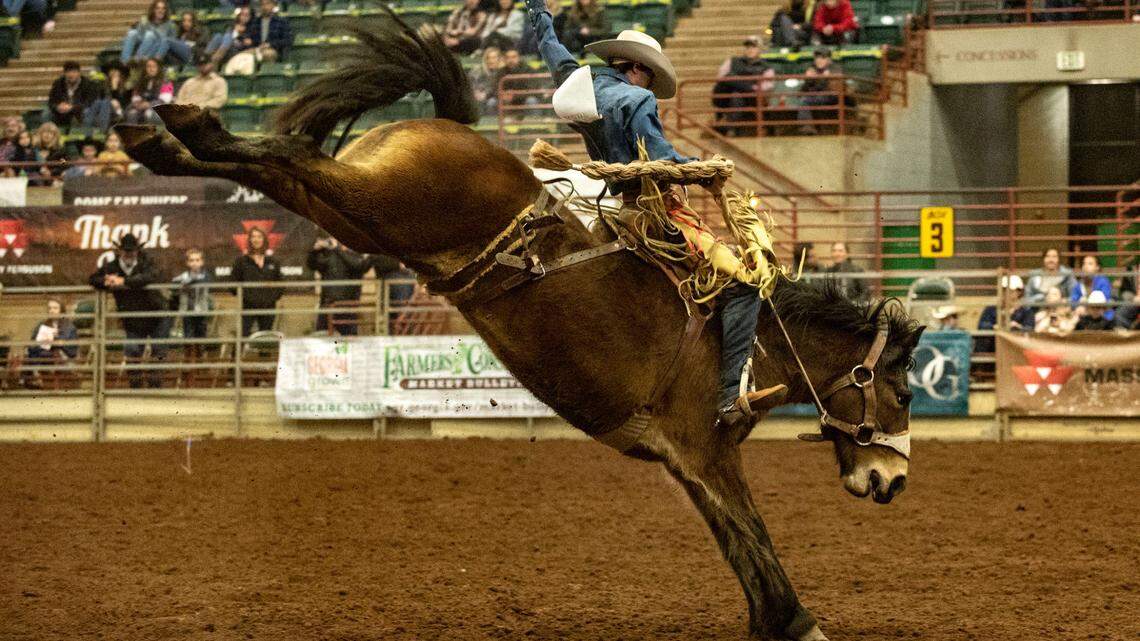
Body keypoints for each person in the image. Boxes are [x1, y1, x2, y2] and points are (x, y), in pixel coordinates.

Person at [526, 0, 783, 429]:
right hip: (655, 213)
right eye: (647, 71)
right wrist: (703, 168)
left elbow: (549, 44)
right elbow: (662, 161)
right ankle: (728, 394)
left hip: (612, 207)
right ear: (636, 68)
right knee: (744, 282)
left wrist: (538, 9)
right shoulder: (637, 98)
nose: (648, 79)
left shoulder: (576, 82)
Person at [88, 233, 171, 388]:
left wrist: (123, 281)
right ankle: (136, 386)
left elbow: (151, 277)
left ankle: (155, 387)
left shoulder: (146, 262)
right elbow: (93, 279)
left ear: (137, 251)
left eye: (132, 251)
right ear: (120, 251)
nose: (129, 254)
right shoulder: (111, 267)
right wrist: (108, 281)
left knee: (159, 351)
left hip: (157, 314)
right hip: (133, 319)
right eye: (126, 251)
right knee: (132, 350)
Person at [307, 234, 376, 335]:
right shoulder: (330, 254)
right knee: (322, 336)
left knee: (347, 338)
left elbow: (358, 266)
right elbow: (312, 265)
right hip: (328, 303)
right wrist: (315, 251)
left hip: (347, 305)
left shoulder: (356, 254)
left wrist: (337, 249)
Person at [712, 36, 775, 137]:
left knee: (737, 94)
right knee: (732, 86)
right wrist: (747, 87)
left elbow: (767, 86)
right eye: (747, 47)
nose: (750, 50)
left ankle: (731, 128)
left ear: (760, 49)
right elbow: (721, 78)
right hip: (727, 96)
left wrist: (743, 86)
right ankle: (731, 128)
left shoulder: (766, 67)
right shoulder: (732, 61)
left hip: (753, 98)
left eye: (753, 47)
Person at [230, 226, 284, 336]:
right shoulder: (241, 261)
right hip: (248, 307)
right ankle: (236, 354)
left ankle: (264, 354)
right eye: (253, 236)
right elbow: (232, 284)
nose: (256, 239)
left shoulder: (273, 261)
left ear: (264, 239)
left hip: (268, 307)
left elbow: (281, 283)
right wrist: (246, 296)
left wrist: (272, 297)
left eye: (259, 236)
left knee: (265, 338)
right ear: (249, 240)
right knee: (242, 335)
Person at [796, 47, 852, 134]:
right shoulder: (812, 69)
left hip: (834, 97)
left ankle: (806, 126)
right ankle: (807, 127)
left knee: (805, 101)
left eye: (823, 58)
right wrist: (808, 80)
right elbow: (804, 90)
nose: (819, 60)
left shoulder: (835, 68)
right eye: (817, 58)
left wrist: (820, 78)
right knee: (804, 99)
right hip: (819, 96)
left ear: (829, 59)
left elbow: (834, 87)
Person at [171, 248, 214, 358]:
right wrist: (180, 286)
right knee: (188, 341)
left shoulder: (206, 275)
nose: (194, 263)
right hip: (187, 312)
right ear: (187, 262)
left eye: (197, 260)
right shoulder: (183, 276)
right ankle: (188, 369)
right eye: (192, 260)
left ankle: (200, 369)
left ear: (202, 262)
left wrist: (188, 284)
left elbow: (206, 281)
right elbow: (173, 284)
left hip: (202, 313)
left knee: (201, 341)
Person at [976, 274, 1034, 353]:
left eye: (1010, 291)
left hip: (1017, 348)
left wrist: (1018, 327)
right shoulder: (991, 309)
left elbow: (1030, 329)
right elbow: (981, 325)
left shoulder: (1026, 311)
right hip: (994, 346)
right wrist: (994, 327)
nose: (1006, 294)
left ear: (1019, 292)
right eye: (1004, 290)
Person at [46, 61, 102, 131]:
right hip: (62, 113)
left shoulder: (89, 85)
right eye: (68, 72)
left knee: (86, 112)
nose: (71, 75)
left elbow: (90, 103)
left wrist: (73, 107)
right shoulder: (58, 84)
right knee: (46, 113)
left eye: (74, 72)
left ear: (79, 73)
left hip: (80, 111)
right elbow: (51, 101)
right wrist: (57, 107)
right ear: (64, 73)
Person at [83, 61, 133, 133]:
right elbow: (98, 101)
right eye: (112, 73)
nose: (114, 76)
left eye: (116, 74)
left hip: (121, 111)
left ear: (121, 75)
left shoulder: (128, 87)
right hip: (104, 110)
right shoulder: (103, 86)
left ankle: (102, 131)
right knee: (90, 108)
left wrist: (114, 89)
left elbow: (123, 103)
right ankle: (87, 133)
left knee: (105, 103)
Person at [124, 57, 174, 125]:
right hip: (141, 107)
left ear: (158, 68)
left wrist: (149, 105)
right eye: (148, 66)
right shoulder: (141, 81)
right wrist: (138, 104)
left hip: (158, 109)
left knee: (149, 114)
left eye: (154, 67)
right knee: (132, 113)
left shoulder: (166, 82)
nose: (151, 69)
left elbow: (165, 100)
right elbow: (136, 96)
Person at [1070, 253, 1112, 319]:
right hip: (1082, 317)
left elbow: (1103, 301)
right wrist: (1078, 308)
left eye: (1090, 264)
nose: (1086, 266)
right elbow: (1073, 301)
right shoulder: (1079, 284)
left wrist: (1086, 308)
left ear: (1097, 267)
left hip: (1102, 317)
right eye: (1084, 264)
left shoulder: (1103, 281)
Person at [469, 46, 505, 116]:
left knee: (491, 102)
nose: (491, 61)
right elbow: (471, 84)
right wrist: (475, 92)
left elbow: (496, 89)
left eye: (494, 58)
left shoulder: (503, 71)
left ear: (499, 59)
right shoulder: (477, 71)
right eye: (488, 58)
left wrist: (486, 94)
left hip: (496, 97)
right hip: (479, 96)